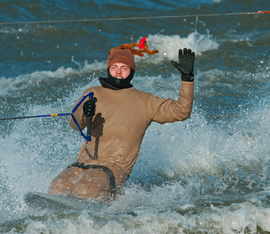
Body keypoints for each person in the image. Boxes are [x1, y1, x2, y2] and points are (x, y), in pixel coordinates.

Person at [49, 39, 195, 203]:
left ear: (132, 71)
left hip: (115, 167)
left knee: (85, 190)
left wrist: (187, 78)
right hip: (83, 162)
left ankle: (109, 201)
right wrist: (84, 112)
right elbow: (74, 124)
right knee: (57, 187)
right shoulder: (92, 93)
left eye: (124, 68)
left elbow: (181, 111)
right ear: (108, 69)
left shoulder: (145, 101)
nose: (118, 72)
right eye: (114, 67)